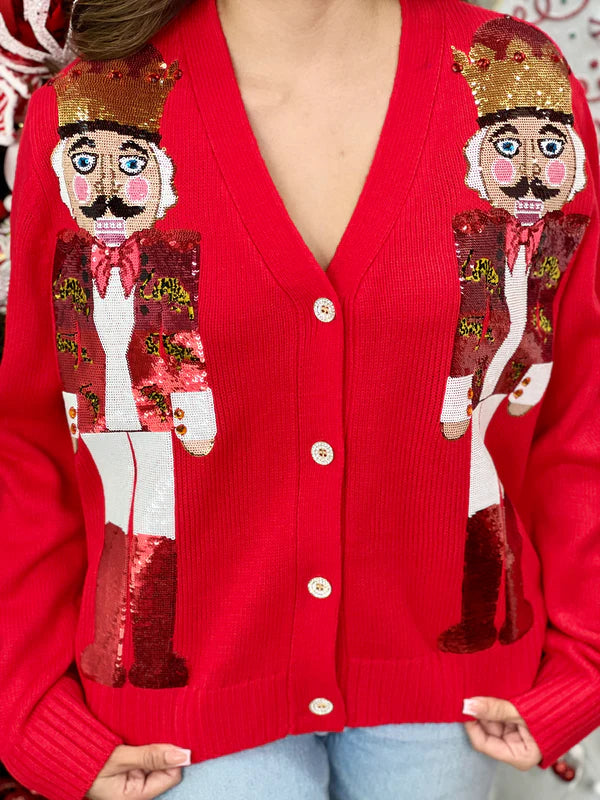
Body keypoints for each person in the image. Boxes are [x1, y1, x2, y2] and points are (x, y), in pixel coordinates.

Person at [0, 0, 599, 798]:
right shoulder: (90, 112)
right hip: (180, 710)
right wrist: (30, 710)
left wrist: (587, 659)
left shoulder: (523, 82)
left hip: (456, 698)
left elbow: (579, 408)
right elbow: (31, 439)